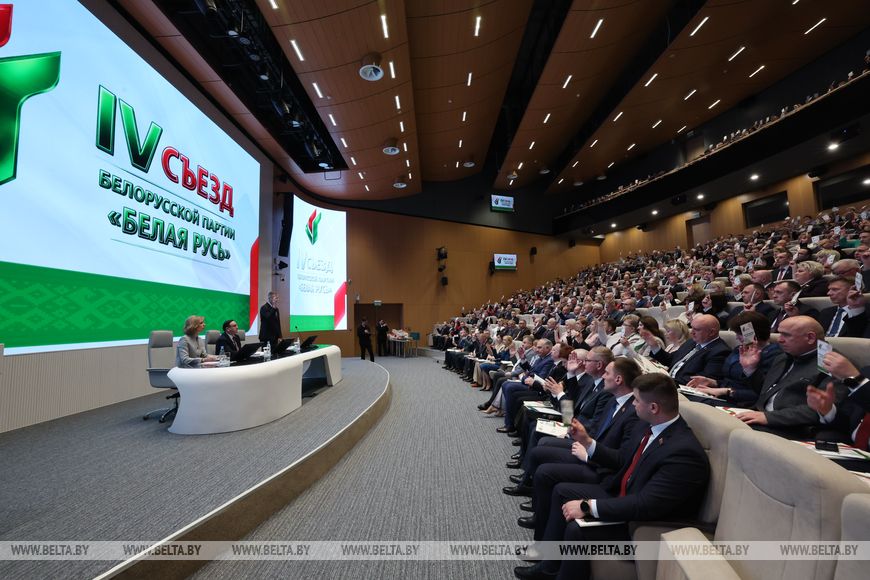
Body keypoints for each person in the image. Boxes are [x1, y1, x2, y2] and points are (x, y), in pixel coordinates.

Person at [514, 373, 710, 580]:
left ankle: (551, 569)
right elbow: (621, 458)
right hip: (622, 489)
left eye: (637, 400)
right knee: (561, 488)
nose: (633, 404)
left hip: (646, 522)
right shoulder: (648, 424)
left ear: (653, 408)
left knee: (576, 529)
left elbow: (647, 504)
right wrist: (586, 441)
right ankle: (548, 559)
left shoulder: (684, 453)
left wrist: (587, 506)